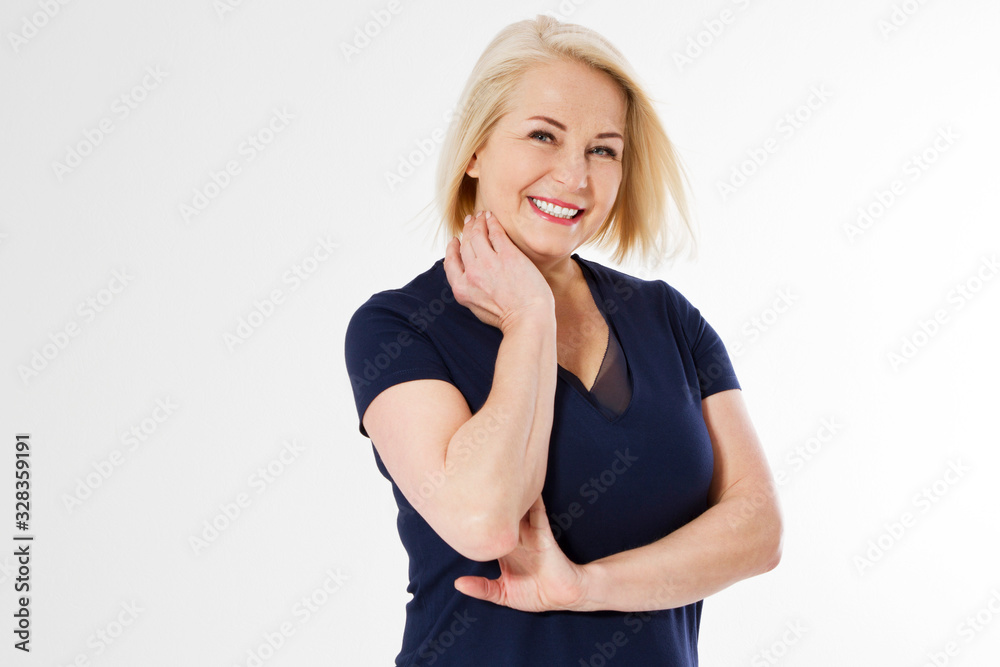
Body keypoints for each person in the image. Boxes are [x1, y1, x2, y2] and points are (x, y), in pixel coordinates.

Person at [344, 14, 782, 666]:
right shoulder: (398, 326)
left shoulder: (667, 318)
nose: (575, 176)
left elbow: (759, 529)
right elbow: (483, 521)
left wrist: (584, 586)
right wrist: (531, 320)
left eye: (603, 149)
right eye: (543, 135)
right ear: (475, 150)